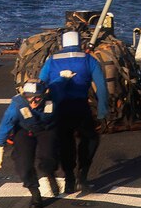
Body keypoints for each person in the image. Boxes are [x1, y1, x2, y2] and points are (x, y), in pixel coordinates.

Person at [38, 31, 108, 194]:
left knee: (65, 141)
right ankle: (82, 177)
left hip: (59, 108)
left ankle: (69, 178)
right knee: (90, 138)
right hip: (80, 107)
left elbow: (40, 84)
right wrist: (103, 110)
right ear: (79, 44)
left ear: (62, 44)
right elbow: (102, 87)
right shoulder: (88, 59)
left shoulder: (52, 60)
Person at [0, 80, 59, 208]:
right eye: (29, 98)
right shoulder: (17, 105)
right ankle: (35, 194)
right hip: (25, 130)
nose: (33, 102)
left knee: (48, 157)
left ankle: (50, 173)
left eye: (37, 98)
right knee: (23, 164)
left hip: (46, 129)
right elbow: (6, 124)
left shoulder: (54, 98)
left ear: (45, 94)